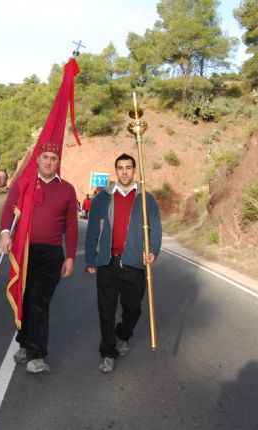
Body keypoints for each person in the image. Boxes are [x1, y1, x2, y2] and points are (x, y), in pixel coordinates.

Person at [0, 143, 78, 374]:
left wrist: (70, 256)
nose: (49, 162)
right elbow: (8, 210)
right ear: (38, 159)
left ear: (58, 162)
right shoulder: (23, 184)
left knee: (39, 302)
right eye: (45, 157)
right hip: (23, 250)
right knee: (24, 298)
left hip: (51, 254)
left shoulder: (67, 190)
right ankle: (24, 343)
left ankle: (36, 355)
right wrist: (5, 233)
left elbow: (72, 225)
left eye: (54, 158)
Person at [84, 153, 162, 374]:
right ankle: (107, 353)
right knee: (105, 310)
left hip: (135, 263)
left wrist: (153, 252)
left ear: (134, 170)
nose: (125, 172)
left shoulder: (146, 199)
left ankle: (123, 334)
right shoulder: (102, 199)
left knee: (133, 309)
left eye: (129, 167)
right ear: (116, 170)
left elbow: (155, 228)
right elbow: (92, 231)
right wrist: (90, 258)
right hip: (107, 263)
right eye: (120, 168)